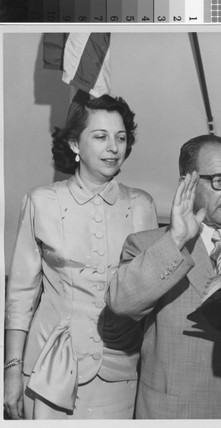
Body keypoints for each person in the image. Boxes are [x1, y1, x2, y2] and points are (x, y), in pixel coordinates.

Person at [106, 134, 221, 419]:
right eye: (218, 180)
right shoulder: (148, 246)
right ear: (188, 183)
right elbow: (121, 303)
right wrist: (176, 239)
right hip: (175, 414)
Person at [4, 94, 158, 419]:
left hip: (119, 370)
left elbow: (148, 298)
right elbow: (20, 296)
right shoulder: (40, 201)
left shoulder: (142, 205)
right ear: (75, 143)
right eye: (100, 137)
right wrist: (12, 370)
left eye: (121, 137)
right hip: (48, 368)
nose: (113, 148)